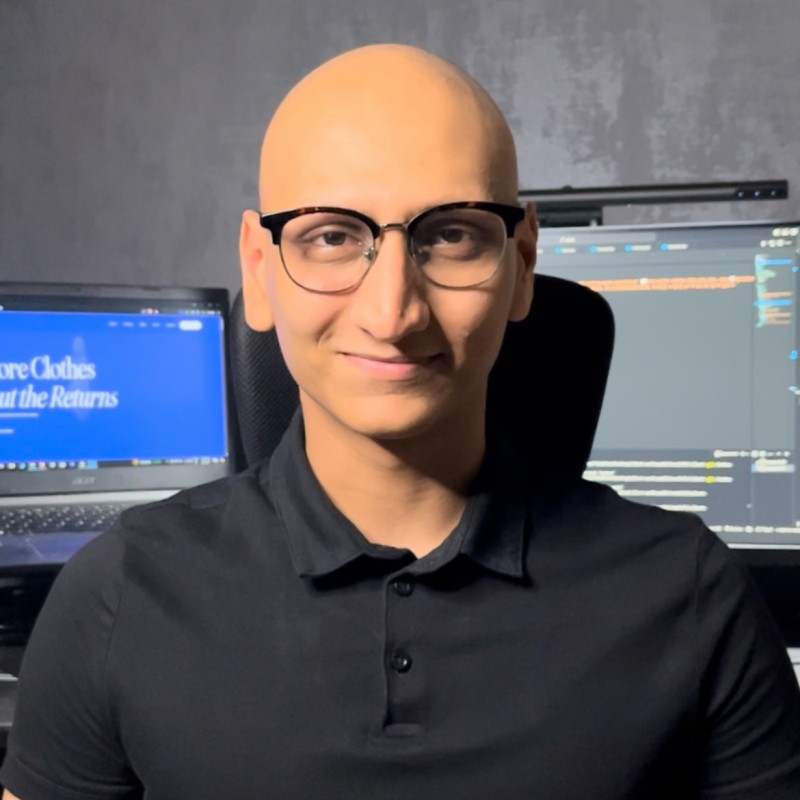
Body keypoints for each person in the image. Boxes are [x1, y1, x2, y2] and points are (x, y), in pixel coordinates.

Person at [2, 43, 800, 800]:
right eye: (330, 236)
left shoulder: (692, 595)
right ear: (259, 266)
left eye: (451, 235)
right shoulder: (120, 594)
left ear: (522, 262)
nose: (392, 313)